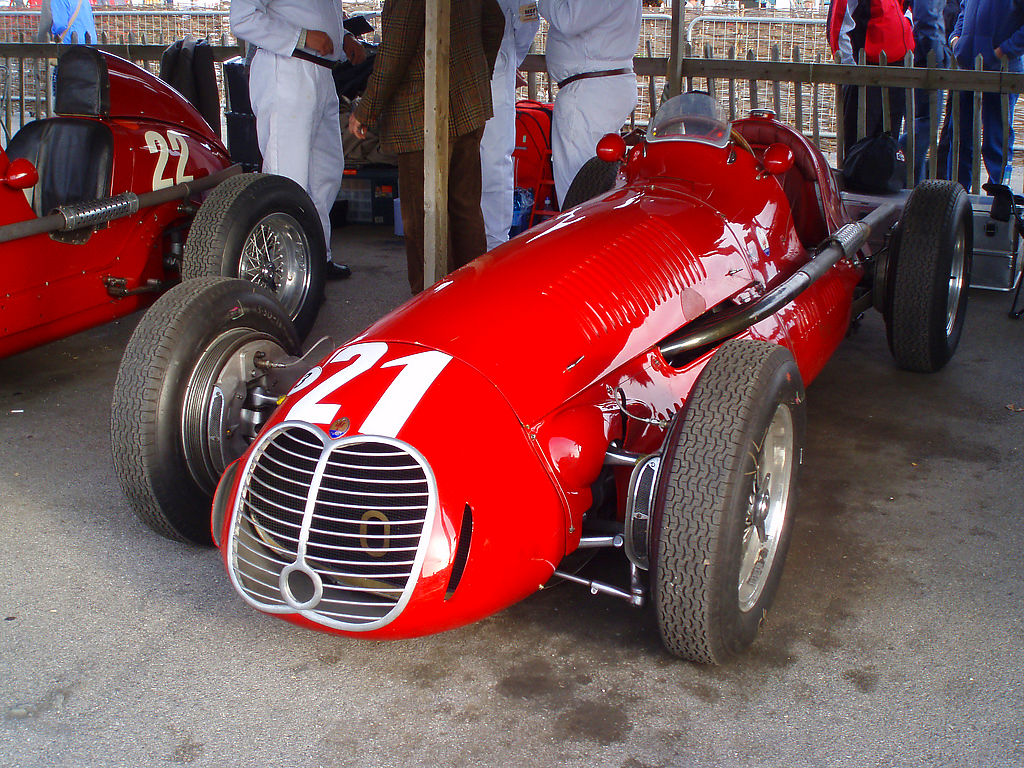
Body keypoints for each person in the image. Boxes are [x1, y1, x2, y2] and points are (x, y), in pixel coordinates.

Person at [348, 0, 505, 295]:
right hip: (468, 104)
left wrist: (365, 109)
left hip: (421, 113)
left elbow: (396, 49)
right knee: (465, 207)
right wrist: (476, 75)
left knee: (424, 218)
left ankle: (430, 309)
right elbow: (494, 22)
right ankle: (473, 298)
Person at [230, 0, 366, 280]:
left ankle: (316, 258)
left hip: (322, 72)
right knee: (287, 174)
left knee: (324, 175)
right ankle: (280, 267)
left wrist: (344, 38)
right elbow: (243, 18)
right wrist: (301, 37)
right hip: (288, 68)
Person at [538, 0, 641, 207]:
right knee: (598, 185)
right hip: (602, 84)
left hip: (589, 90)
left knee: (577, 192)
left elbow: (568, 20)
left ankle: (577, 238)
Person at [479, 1, 539, 250]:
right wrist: (512, 58)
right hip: (493, 62)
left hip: (492, 61)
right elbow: (528, 22)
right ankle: (486, 240)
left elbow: (528, 19)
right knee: (488, 158)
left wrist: (510, 58)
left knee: (492, 159)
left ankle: (491, 242)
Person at [946, 0, 1024, 190]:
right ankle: (954, 195)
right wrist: (956, 39)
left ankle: (999, 198)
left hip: (1003, 71)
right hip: (967, 67)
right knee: (959, 137)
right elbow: (964, 9)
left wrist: (1003, 51)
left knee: (996, 139)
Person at [827, 0, 915, 157]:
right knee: (860, 142)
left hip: (897, 68)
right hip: (866, 71)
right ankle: (856, 181)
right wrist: (852, 71)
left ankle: (885, 180)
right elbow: (838, 23)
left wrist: (906, 25)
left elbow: (906, 7)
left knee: (889, 141)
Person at [905, 0, 951, 183]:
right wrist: (939, 57)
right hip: (929, 61)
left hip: (925, 56)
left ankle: (916, 182)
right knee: (926, 124)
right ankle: (896, 156)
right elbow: (926, 19)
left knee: (923, 123)